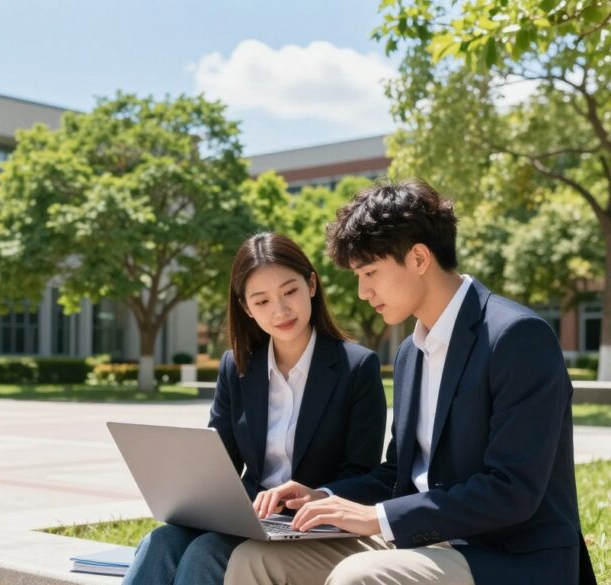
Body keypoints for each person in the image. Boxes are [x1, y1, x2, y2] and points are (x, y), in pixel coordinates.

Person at [225, 179, 596, 585]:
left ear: (419, 258)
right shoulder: (409, 353)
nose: (363, 291)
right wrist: (325, 497)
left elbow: (512, 490)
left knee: (357, 577)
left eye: (369, 272)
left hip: (504, 556)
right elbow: (397, 474)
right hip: (418, 542)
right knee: (255, 559)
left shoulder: (516, 337)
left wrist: (377, 517)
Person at [122, 232, 387, 584]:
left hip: (313, 523)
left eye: (290, 291)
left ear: (311, 284)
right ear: (247, 308)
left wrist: (317, 495)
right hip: (249, 515)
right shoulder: (238, 366)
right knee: (160, 542)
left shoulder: (357, 367)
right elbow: (221, 459)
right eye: (261, 301)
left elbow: (366, 476)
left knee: (206, 553)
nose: (280, 311)